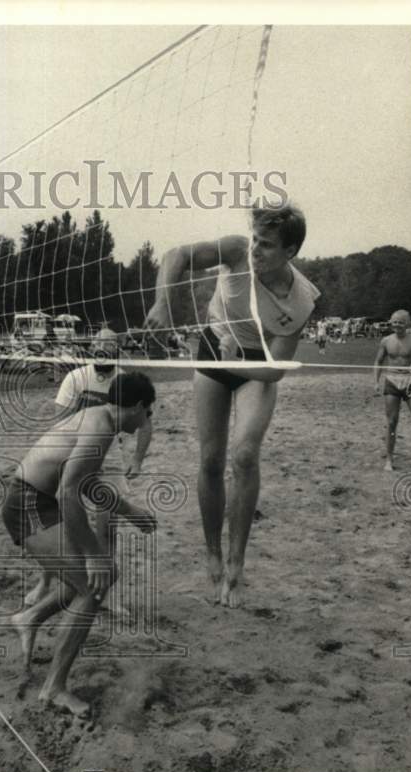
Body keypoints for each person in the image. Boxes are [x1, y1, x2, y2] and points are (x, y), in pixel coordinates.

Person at [144, 202, 320, 608]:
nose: (257, 250)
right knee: (210, 459)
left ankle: (237, 564)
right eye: (256, 239)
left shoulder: (301, 301)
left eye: (268, 245)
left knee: (244, 456)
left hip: (256, 363)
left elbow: (275, 370)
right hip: (214, 347)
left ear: (290, 252)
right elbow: (177, 256)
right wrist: (162, 302)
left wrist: (240, 363)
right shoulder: (238, 251)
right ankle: (213, 555)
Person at [1, 372, 157, 717]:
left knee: (89, 578)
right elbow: (69, 492)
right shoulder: (100, 428)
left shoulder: (100, 419)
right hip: (28, 505)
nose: (148, 420)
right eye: (149, 413)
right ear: (139, 407)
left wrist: (129, 510)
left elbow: (85, 483)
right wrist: (95, 555)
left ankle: (30, 618)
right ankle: (53, 688)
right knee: (93, 582)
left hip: (37, 501)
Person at [24, 327, 154, 607]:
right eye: (98, 343)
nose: (103, 348)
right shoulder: (76, 377)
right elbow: (61, 423)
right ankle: (45, 582)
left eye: (109, 343)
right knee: (64, 516)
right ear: (91, 347)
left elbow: (146, 422)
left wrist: (138, 460)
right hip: (78, 452)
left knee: (108, 524)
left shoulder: (126, 381)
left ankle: (106, 592)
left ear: (117, 349)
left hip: (110, 454)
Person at [374, 309, 411, 471]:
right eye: (394, 321)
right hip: (391, 382)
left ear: (408, 324)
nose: (397, 325)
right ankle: (389, 460)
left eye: (401, 322)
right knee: (391, 422)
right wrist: (376, 382)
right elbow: (378, 361)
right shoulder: (385, 341)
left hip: (410, 383)